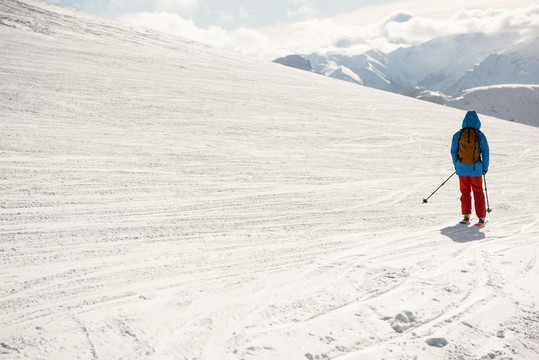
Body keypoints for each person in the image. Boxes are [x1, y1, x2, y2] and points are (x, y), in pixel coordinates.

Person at [450, 111, 490, 225]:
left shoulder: (458, 135)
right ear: (477, 122)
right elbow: (485, 153)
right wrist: (484, 167)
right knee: (478, 192)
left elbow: (453, 152)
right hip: (475, 169)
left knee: (465, 191)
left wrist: (457, 165)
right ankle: (481, 217)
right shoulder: (480, 135)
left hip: (462, 169)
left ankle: (466, 216)